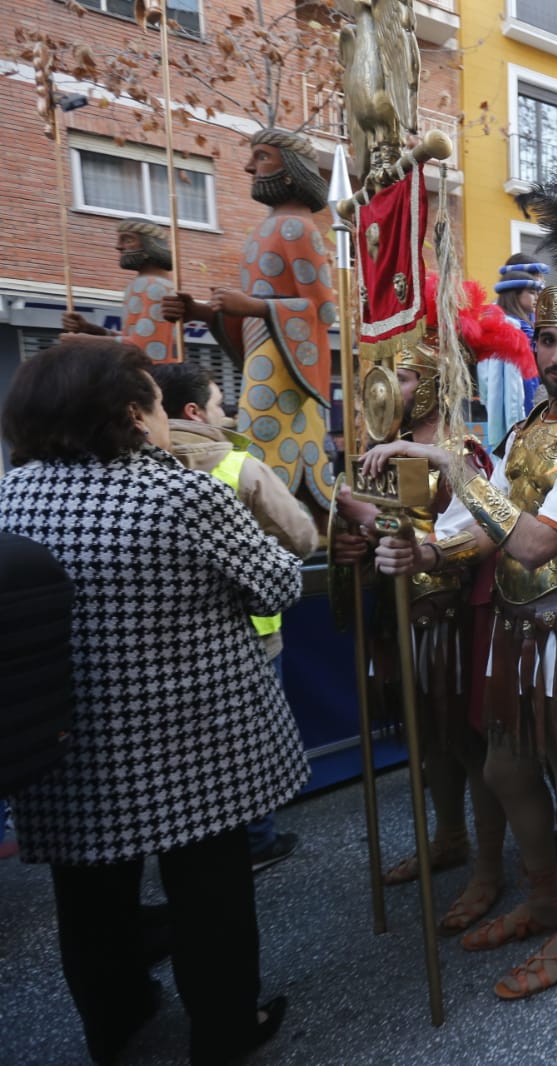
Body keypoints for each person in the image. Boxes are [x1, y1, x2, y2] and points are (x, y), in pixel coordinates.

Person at [360, 143, 557, 999]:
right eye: (547, 339)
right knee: (504, 768)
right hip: (512, 629)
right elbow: (478, 527)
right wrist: (425, 549)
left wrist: (456, 472)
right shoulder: (528, 430)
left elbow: (538, 541)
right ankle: (540, 899)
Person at [0, 338, 305, 1065]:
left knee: (89, 899)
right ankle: (225, 1031)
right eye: (159, 405)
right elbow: (279, 584)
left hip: (66, 741)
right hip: (193, 737)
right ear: (133, 416)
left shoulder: (12, 494)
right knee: (210, 898)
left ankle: (117, 1020)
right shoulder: (179, 493)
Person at [331, 280, 512, 934]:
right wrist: (354, 540)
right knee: (427, 743)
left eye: (404, 377)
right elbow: (386, 539)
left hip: (455, 621)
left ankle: (490, 868)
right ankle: (448, 837)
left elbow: (471, 536)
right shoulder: (385, 450)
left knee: (467, 745)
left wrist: (372, 523)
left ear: (433, 388)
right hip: (408, 620)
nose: (389, 387)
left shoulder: (458, 456)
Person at [151, 361, 318, 871]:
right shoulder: (238, 466)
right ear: (195, 411)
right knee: (246, 748)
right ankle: (257, 840)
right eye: (222, 406)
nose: (227, 415)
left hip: (165, 644)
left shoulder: (136, 468)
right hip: (252, 635)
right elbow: (303, 538)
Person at [162, 128, 337, 514]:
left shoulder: (299, 227)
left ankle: (273, 510)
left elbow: (323, 308)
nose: (247, 167)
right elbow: (256, 311)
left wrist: (254, 307)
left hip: (283, 356)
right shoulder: (263, 231)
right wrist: (202, 312)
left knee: (260, 429)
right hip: (267, 350)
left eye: (261, 157)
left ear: (291, 170)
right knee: (257, 428)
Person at [61, 219, 180, 363]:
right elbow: (132, 338)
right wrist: (91, 329)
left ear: (151, 245)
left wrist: (85, 341)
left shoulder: (156, 286)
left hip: (156, 376)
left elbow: (144, 346)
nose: (118, 247)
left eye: (128, 240)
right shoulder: (144, 284)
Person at [483, 256, 546, 449]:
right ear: (514, 293)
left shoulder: (527, 323)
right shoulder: (511, 327)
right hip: (521, 404)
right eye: (532, 290)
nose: (538, 294)